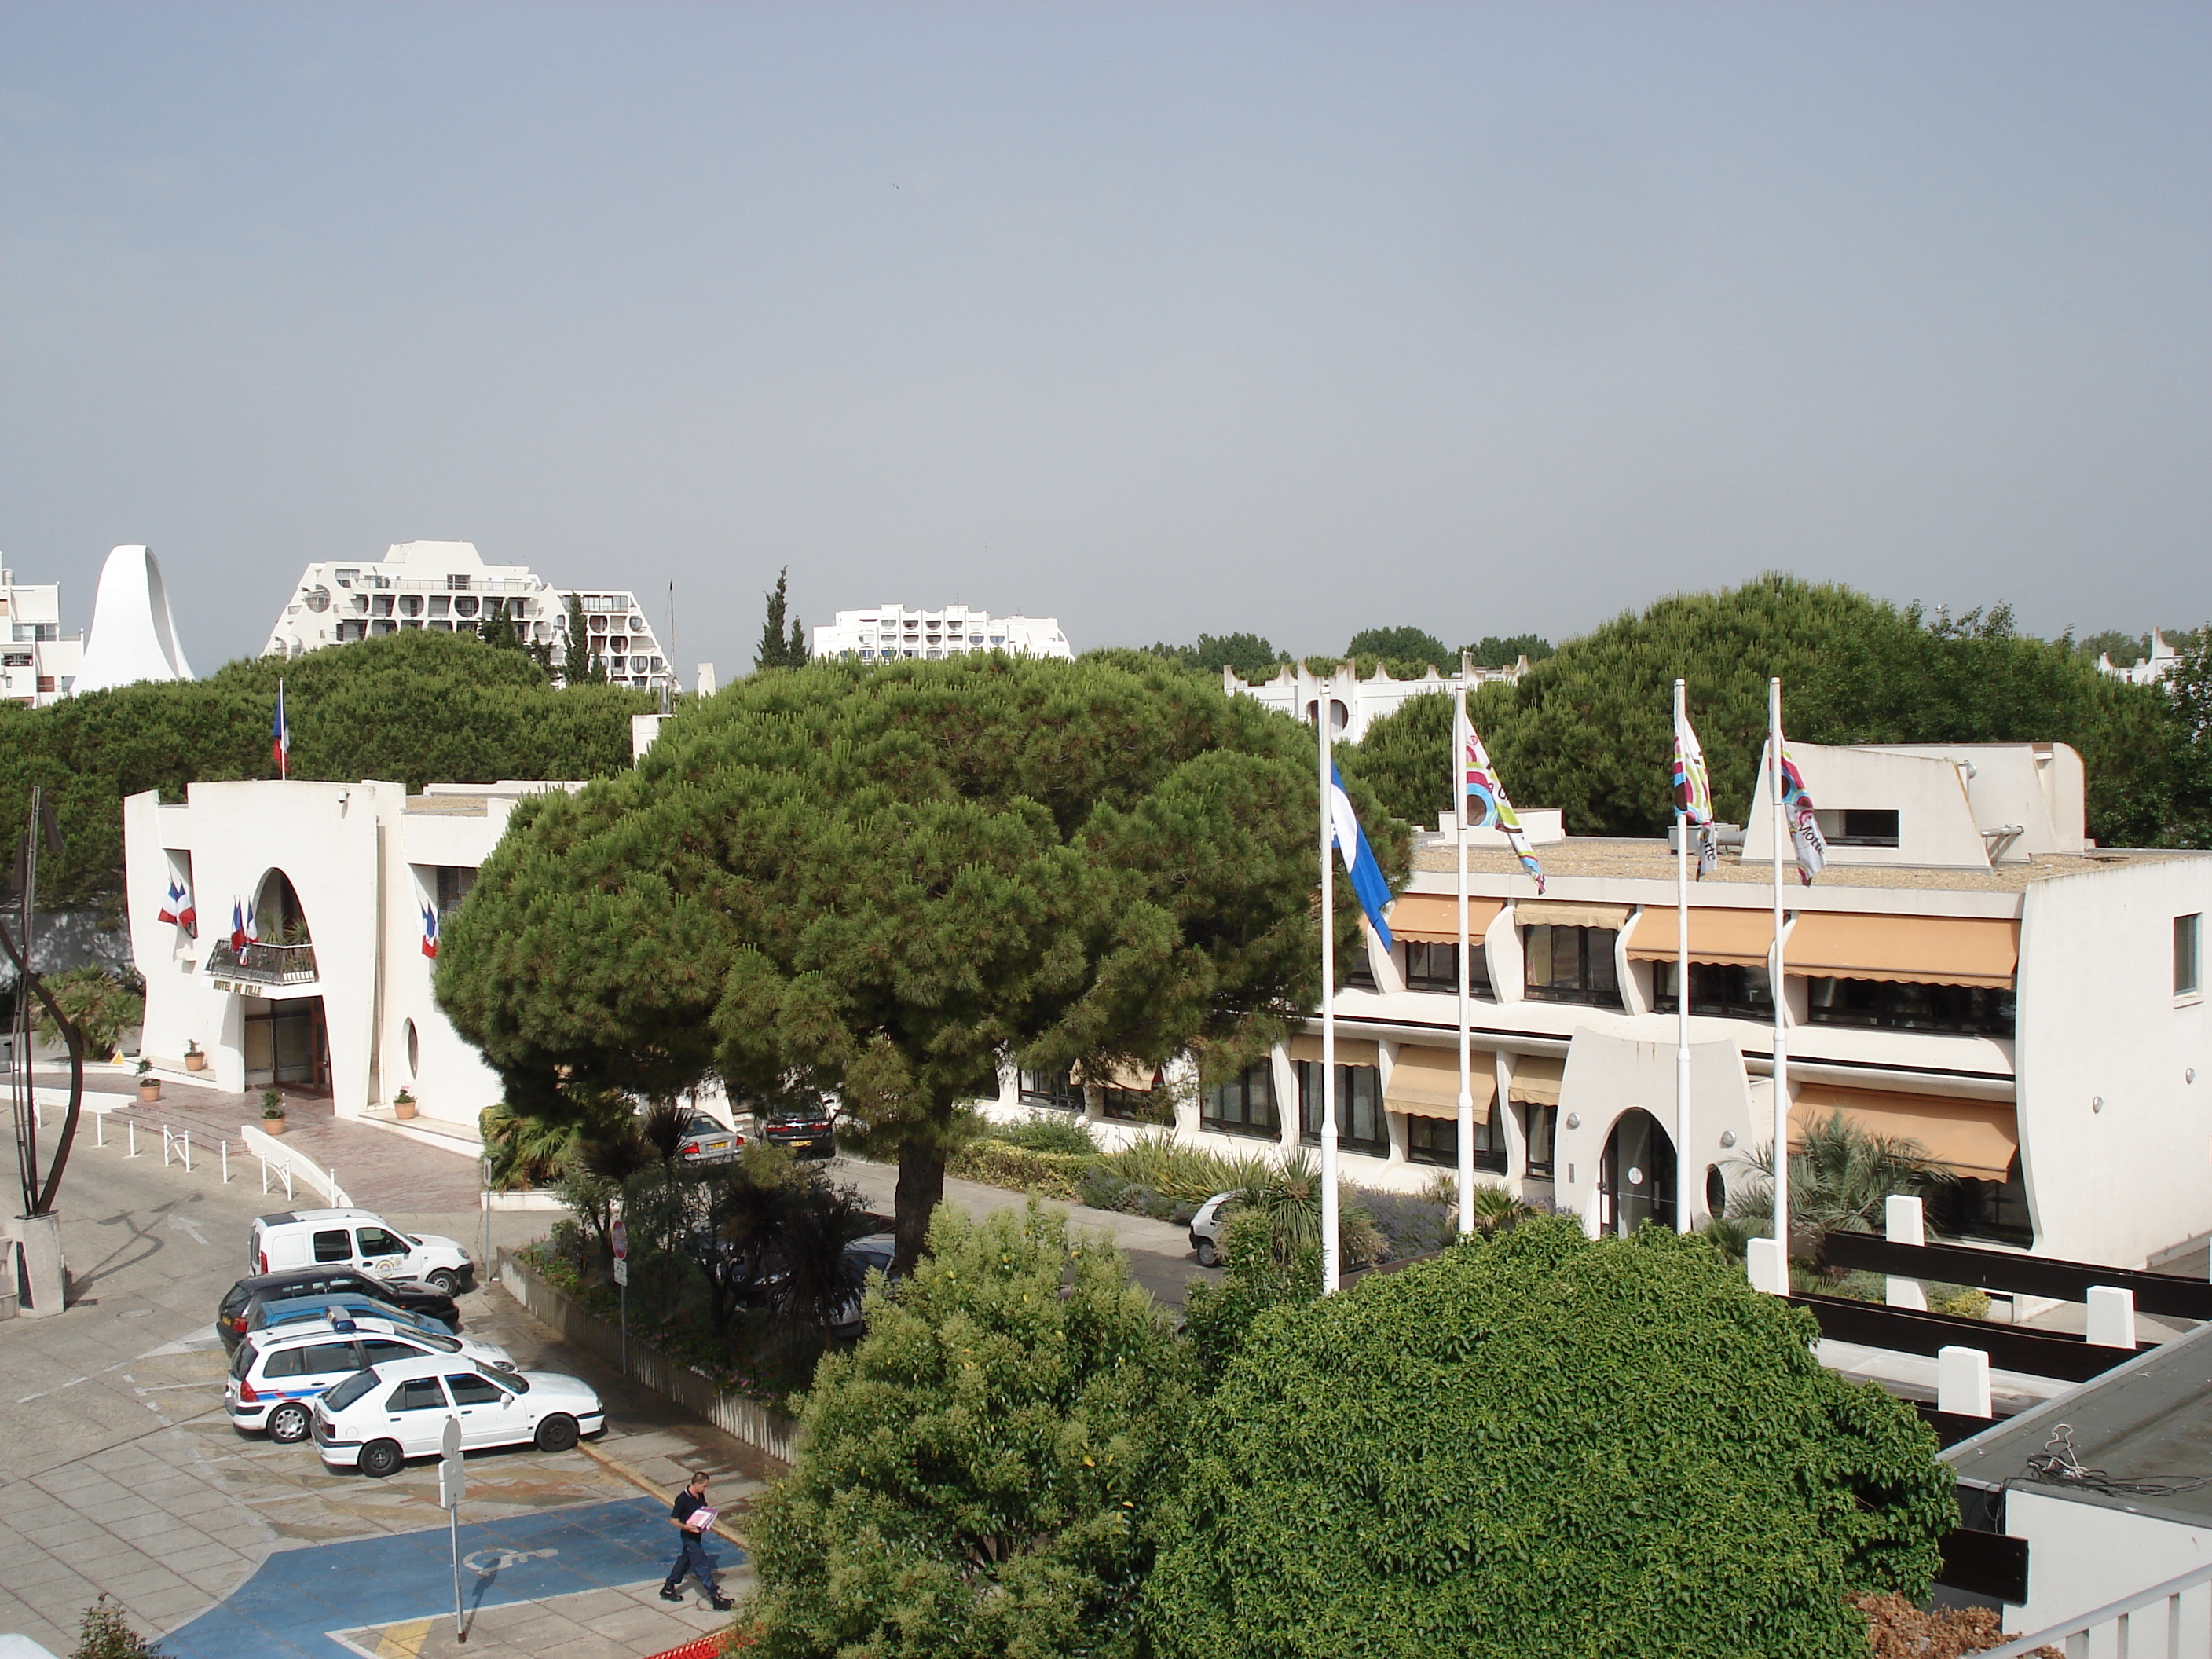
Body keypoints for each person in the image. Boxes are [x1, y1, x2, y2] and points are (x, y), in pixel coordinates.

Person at [660, 1470, 734, 1610]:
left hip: (697, 1535)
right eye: (704, 1486)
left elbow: (703, 1508)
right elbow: (673, 1520)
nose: (705, 1489)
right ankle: (715, 1597)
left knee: (684, 1561)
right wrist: (686, 1527)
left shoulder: (699, 1495)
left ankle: (668, 1587)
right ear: (697, 1484)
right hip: (689, 1537)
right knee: (702, 1565)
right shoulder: (682, 1499)